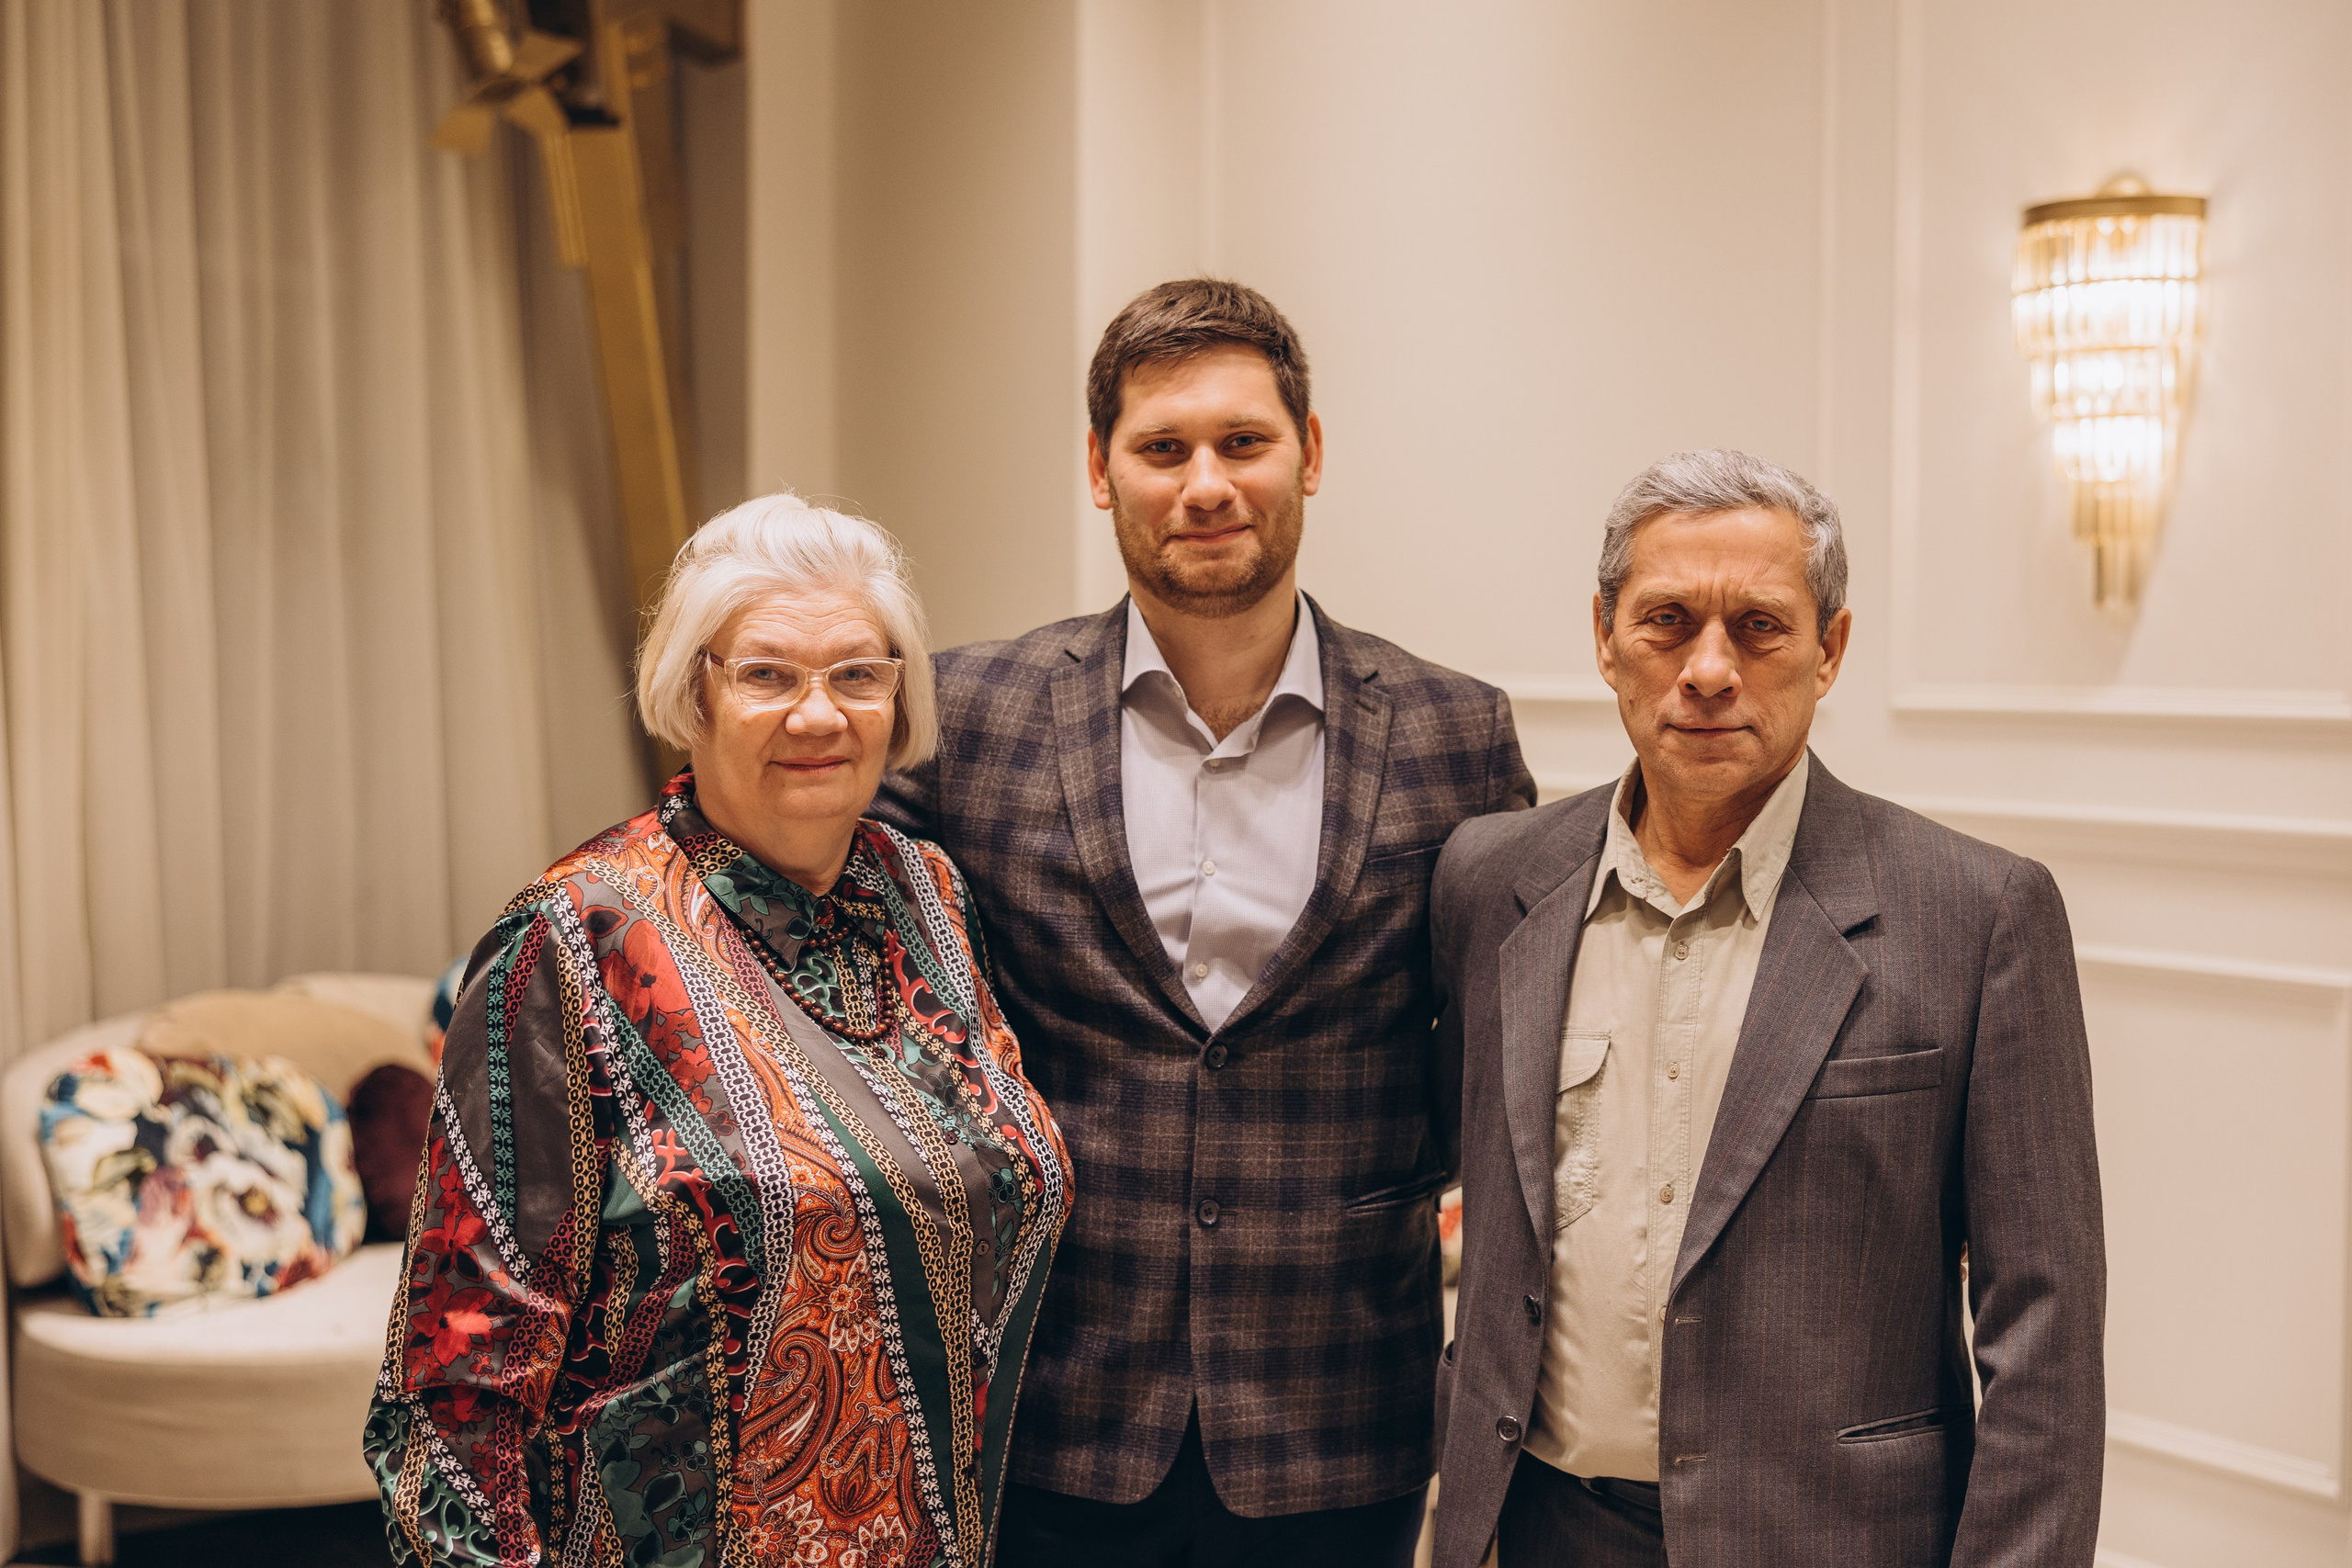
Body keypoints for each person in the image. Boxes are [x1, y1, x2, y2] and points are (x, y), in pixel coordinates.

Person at [875, 277, 1534, 1566]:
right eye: (1162, 448)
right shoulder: (969, 714)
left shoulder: (1460, 734)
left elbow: (1504, 1061)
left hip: (1342, 1414)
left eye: (1244, 441)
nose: (1207, 483)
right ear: (1100, 469)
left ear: (1313, 451)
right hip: (1048, 1412)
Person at [1429, 449, 2105, 1567]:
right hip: (1534, 1525)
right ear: (1604, 636)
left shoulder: (1976, 915)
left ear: (1829, 649)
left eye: (1757, 627)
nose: (1706, 668)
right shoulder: (1489, 883)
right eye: (1666, 622)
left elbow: (2047, 1333)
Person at [367, 497, 1071, 1567]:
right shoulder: (572, 940)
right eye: (767, 675)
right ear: (691, 694)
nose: (818, 715)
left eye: (856, 673)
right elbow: (460, 1375)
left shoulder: (928, 899)